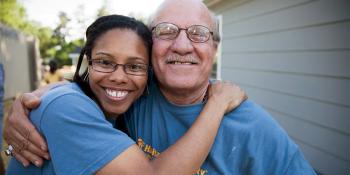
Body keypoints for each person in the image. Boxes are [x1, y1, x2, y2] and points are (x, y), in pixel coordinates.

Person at [4, 0, 316, 174]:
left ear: (216, 49)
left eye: (199, 33)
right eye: (166, 32)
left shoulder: (256, 129)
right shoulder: (134, 95)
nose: (182, 45)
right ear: (151, 48)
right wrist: (30, 101)